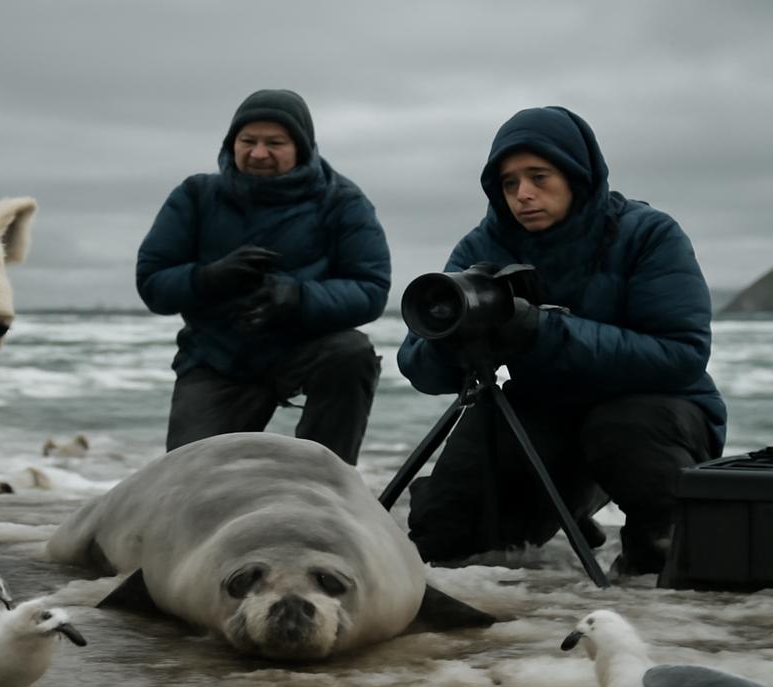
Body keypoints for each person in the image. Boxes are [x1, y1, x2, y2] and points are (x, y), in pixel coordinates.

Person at [397, 106, 726, 576]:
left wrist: (543, 330)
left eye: (539, 176)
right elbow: (420, 371)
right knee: (446, 545)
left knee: (660, 551)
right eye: (509, 183)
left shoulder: (648, 234)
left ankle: (652, 571)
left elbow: (683, 355)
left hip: (653, 416)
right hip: (541, 411)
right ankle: (565, 514)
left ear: (577, 176)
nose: (523, 194)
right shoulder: (482, 247)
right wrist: (455, 339)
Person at [135, 89, 391, 465]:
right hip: (217, 358)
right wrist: (208, 278)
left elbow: (371, 289)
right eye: (247, 141)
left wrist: (296, 298)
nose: (258, 153)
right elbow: (153, 283)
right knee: (187, 480)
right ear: (231, 143)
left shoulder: (342, 201)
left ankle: (324, 479)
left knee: (351, 353)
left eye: (275, 143)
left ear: (302, 147)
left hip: (304, 349)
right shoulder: (196, 196)